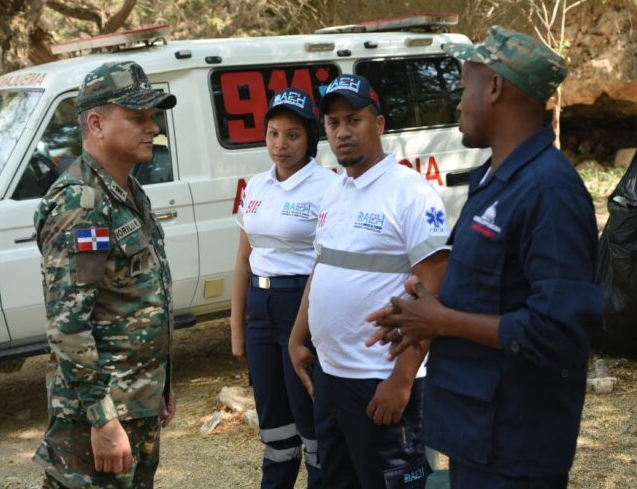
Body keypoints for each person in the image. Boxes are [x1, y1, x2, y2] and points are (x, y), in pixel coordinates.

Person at [366, 26, 605, 488]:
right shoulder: (494, 178)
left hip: (515, 445)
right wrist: (421, 307)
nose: (458, 103)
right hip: (476, 431)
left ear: (495, 87)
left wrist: (442, 321)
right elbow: (485, 287)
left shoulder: (550, 191)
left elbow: (559, 331)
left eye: (463, 88)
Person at [288, 74, 449, 489]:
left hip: (381, 382)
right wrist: (297, 336)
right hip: (330, 379)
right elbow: (322, 268)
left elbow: (435, 288)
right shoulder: (336, 190)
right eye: (333, 123)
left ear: (378, 125)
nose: (342, 132)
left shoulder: (410, 193)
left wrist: (403, 378)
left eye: (353, 120)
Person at [32, 60, 177, 488]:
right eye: (138, 117)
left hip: (136, 401)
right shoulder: (82, 205)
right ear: (95, 123)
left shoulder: (127, 190)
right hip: (100, 412)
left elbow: (141, 298)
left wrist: (162, 383)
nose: (152, 128)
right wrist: (102, 419)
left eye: (152, 117)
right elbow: (69, 325)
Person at [230, 88, 333, 488]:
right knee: (274, 427)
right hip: (261, 310)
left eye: (292, 134)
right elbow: (243, 259)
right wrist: (238, 328)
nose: (280, 144)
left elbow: (328, 263)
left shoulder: (327, 186)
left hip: (302, 308)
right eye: (273, 133)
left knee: (312, 427)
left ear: (309, 137)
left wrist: (304, 328)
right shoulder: (255, 186)